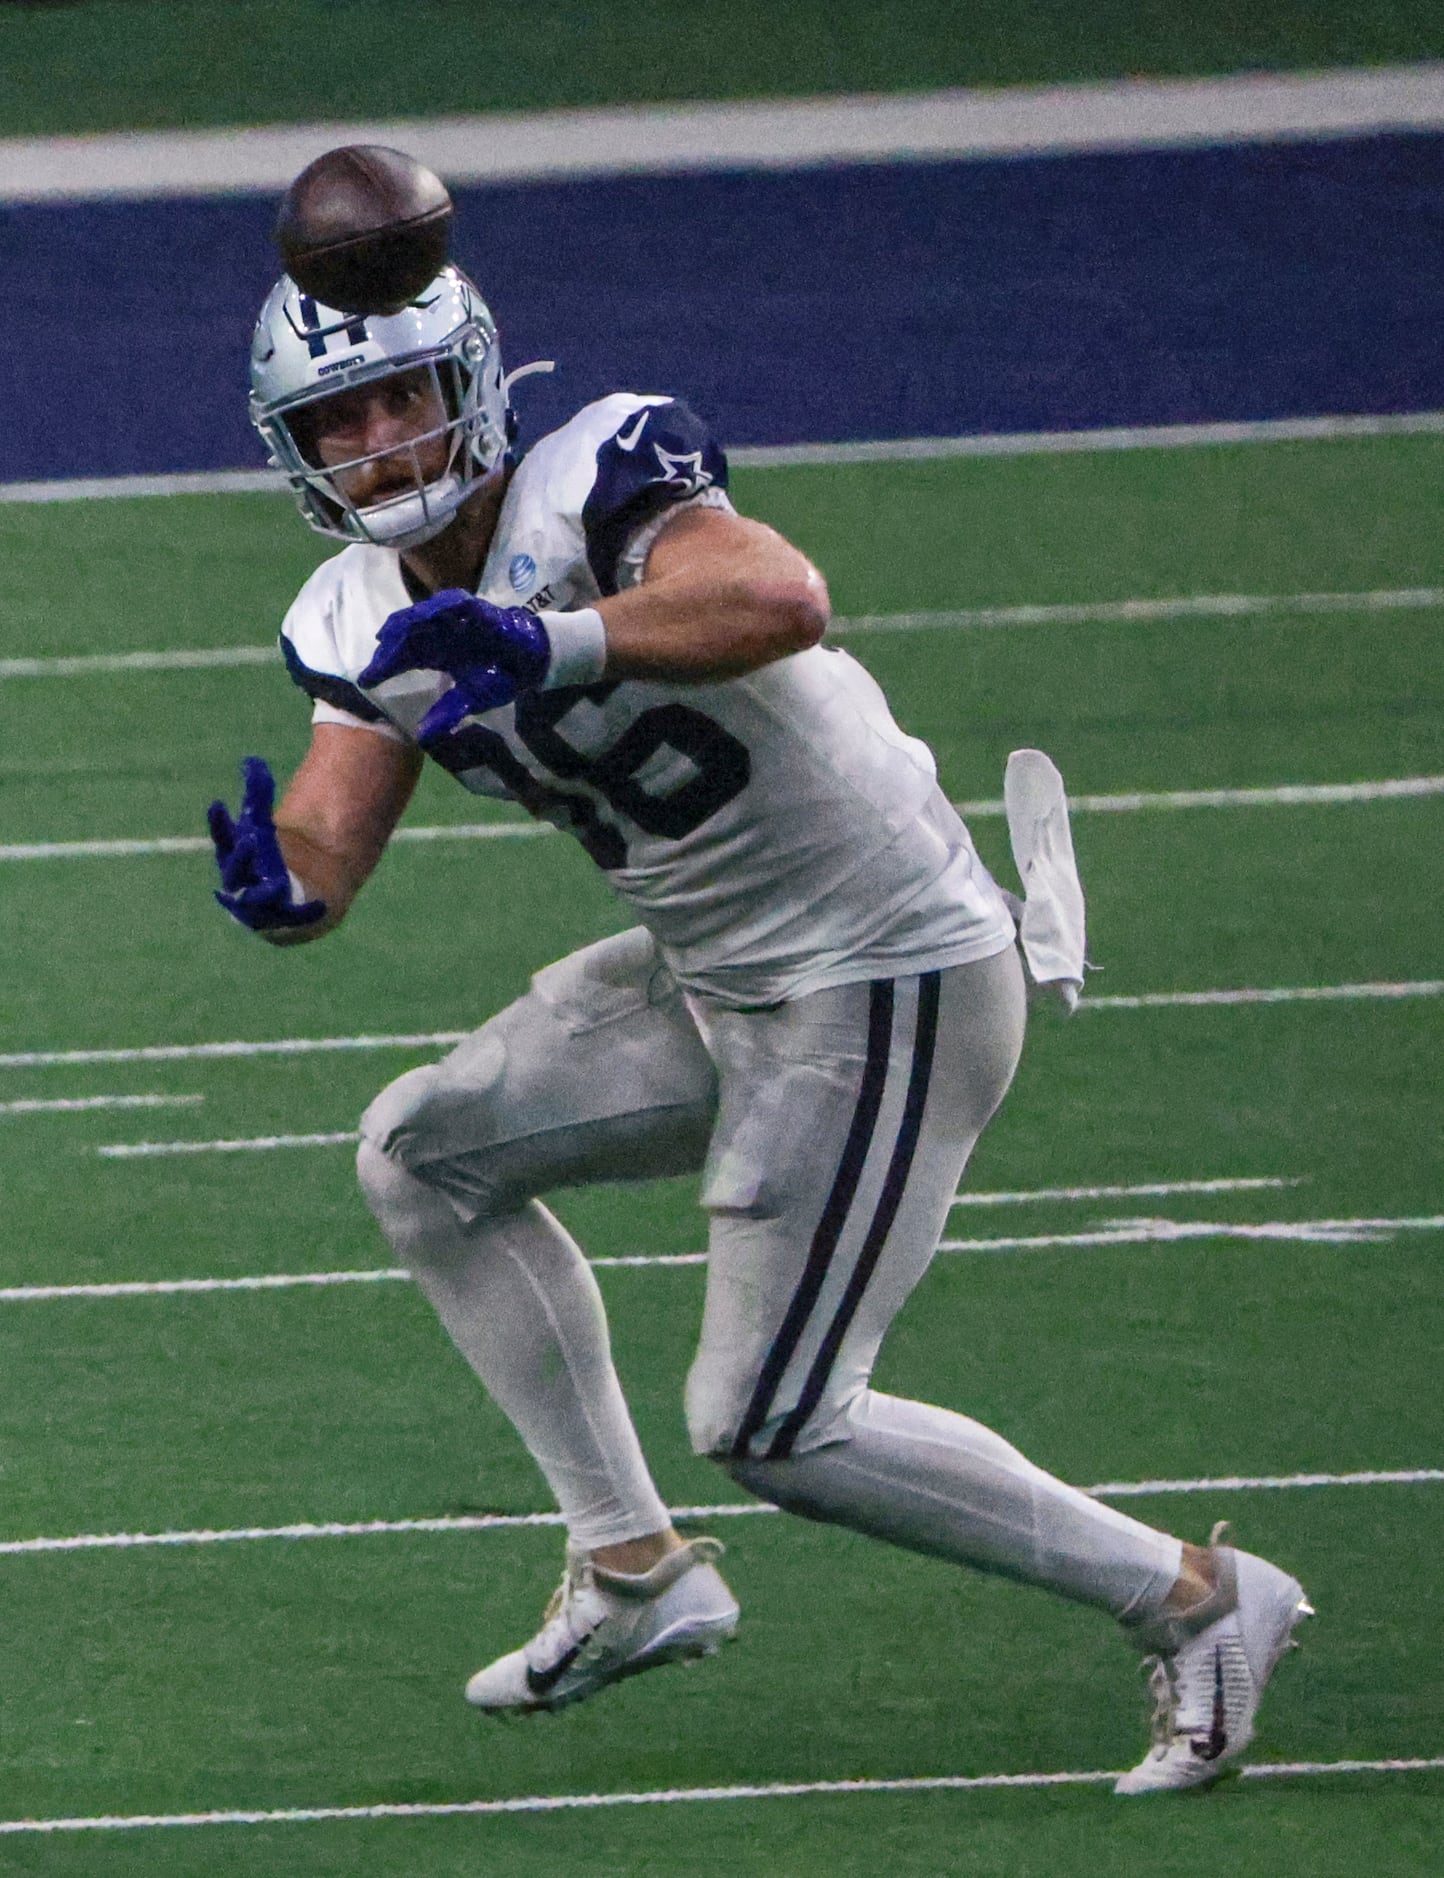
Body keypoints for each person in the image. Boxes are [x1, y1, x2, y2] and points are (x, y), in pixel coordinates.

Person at [209, 251, 1310, 1793]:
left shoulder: (595, 475)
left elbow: (780, 595)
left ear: (468, 385)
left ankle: (1202, 1600)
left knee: (775, 1418)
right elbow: (331, 834)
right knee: (420, 1155)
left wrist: (556, 638)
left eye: (404, 394)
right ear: (292, 443)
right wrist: (285, 887)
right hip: (720, 972)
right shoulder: (344, 611)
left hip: (887, 966)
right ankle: (634, 1566)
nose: (380, 439)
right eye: (341, 415)